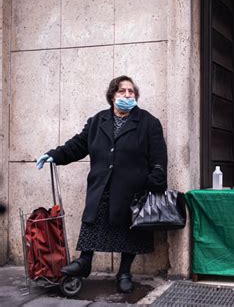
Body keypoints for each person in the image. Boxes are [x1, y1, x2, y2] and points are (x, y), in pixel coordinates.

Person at [35, 75, 167, 293]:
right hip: (102, 185)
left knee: (129, 232)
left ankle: (124, 272)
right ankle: (84, 261)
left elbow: (159, 156)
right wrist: (55, 155)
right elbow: (77, 144)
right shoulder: (98, 121)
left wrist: (157, 177)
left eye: (131, 91)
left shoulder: (148, 122)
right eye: (122, 91)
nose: (127, 95)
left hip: (132, 188)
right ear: (112, 95)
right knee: (92, 221)